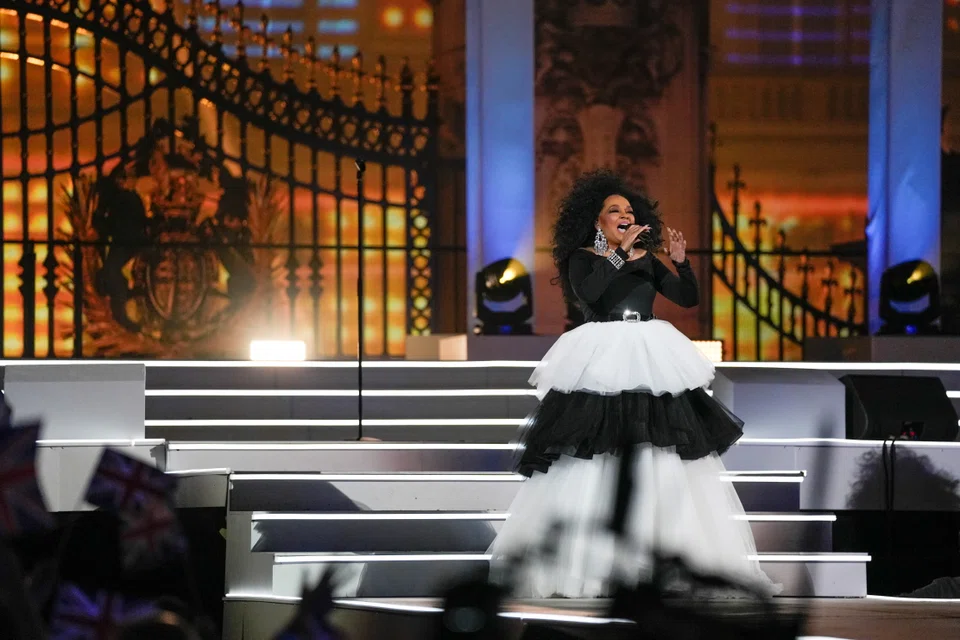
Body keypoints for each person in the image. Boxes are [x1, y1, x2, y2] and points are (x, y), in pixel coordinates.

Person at [487, 169, 779, 598]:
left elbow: (686, 298)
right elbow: (589, 294)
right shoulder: (583, 256)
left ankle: (656, 557)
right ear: (596, 220)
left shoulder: (646, 259)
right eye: (613, 210)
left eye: (628, 210)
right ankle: (589, 561)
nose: (624, 215)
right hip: (602, 352)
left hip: (650, 351)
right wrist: (618, 253)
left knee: (658, 451)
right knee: (593, 452)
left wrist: (680, 262)